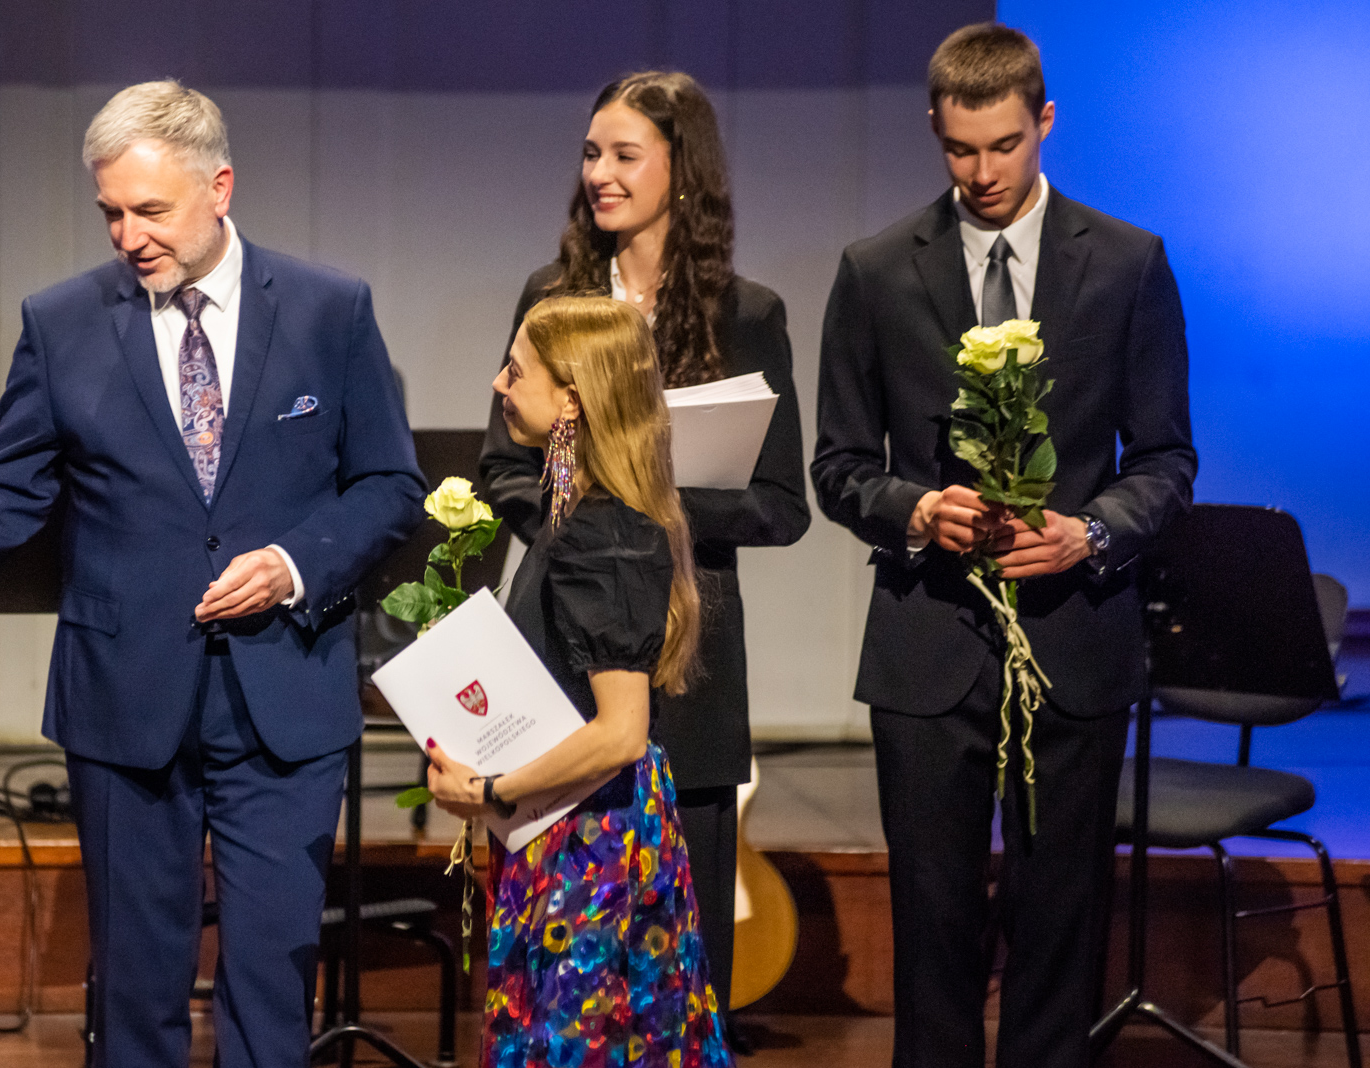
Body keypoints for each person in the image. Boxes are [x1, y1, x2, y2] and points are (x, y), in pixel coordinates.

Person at [0, 81, 425, 1068]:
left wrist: (295, 564)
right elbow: (2, 493)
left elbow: (388, 486)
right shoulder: (64, 323)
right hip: (125, 703)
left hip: (283, 699)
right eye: (111, 213)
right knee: (134, 991)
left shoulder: (328, 310)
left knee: (271, 987)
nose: (128, 236)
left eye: (150, 210)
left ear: (220, 187)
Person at [809, 23, 1195, 1068]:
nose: (982, 173)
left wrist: (1090, 532)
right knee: (930, 921)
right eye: (960, 149)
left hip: (1075, 640)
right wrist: (914, 510)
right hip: (927, 644)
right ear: (935, 129)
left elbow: (1165, 460)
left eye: (1005, 146)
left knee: (1059, 922)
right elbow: (838, 465)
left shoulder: (1126, 264)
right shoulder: (876, 271)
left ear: (1045, 122)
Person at [477, 71, 808, 1029]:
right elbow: (504, 470)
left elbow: (781, 506)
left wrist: (641, 508)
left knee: (679, 971)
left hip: (686, 655)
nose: (600, 174)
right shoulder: (555, 299)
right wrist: (589, 535)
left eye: (625, 154)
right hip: (572, 644)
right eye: (591, 153)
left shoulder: (746, 314)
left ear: (682, 167)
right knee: (560, 970)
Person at [428, 296, 733, 1068]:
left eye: (515, 371)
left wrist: (492, 790)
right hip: (568, 825)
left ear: (572, 399)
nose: (499, 385)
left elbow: (620, 733)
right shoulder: (578, 512)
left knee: (583, 1046)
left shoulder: (603, 530)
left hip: (593, 846)